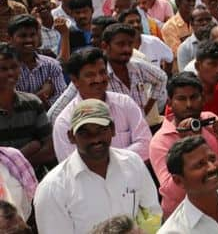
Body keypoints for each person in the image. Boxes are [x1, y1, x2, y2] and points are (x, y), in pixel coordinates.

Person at [33, 99, 161, 234]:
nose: (95, 139)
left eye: (101, 130)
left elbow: (153, 214)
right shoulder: (52, 188)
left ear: (112, 130)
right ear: (71, 137)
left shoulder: (132, 163)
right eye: (85, 133)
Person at [149, 73, 218, 218]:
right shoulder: (160, 141)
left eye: (194, 97)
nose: (189, 104)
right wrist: (187, 147)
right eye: (181, 99)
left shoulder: (210, 121)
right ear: (169, 102)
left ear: (203, 98)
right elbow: (173, 192)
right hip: (183, 217)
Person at [52, 47, 151, 162]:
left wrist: (112, 164)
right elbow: (71, 165)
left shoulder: (125, 103)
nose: (99, 79)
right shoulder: (65, 122)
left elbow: (146, 144)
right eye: (90, 75)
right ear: (75, 81)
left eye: (102, 72)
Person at [0, 42, 55, 172]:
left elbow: (49, 149)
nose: (10, 73)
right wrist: (30, 149)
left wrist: (18, 166)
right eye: (3, 69)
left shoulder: (33, 103)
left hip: (33, 180)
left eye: (14, 67)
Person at [8, 14, 67, 107]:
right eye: (23, 36)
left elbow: (62, 102)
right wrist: (41, 96)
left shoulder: (51, 65)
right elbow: (11, 107)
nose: (28, 40)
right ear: (10, 39)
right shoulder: (6, 69)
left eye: (32, 35)